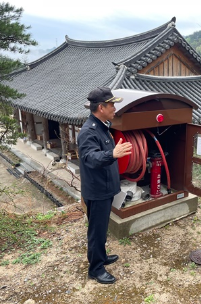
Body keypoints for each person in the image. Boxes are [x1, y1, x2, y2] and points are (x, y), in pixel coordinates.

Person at [77, 87, 132, 284]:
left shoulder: (102, 126)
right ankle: (96, 269)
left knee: (101, 227)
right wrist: (112, 154)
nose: (115, 108)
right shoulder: (88, 131)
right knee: (96, 230)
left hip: (105, 187)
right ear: (101, 107)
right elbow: (90, 157)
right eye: (112, 104)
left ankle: (100, 256)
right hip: (98, 189)